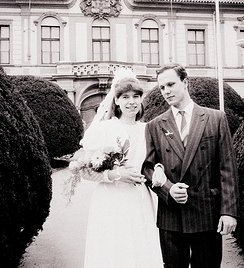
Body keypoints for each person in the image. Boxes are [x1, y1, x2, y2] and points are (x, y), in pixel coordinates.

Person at [142, 64, 239, 268]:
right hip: (171, 217)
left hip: (206, 212)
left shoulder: (215, 118)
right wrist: (168, 189)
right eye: (161, 87)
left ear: (185, 82)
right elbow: (148, 169)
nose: (166, 91)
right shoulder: (154, 125)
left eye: (170, 84)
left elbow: (227, 168)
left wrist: (228, 212)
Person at [80, 69, 164, 268]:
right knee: (112, 249)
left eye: (136, 96)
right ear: (116, 100)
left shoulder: (148, 130)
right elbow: (85, 170)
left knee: (138, 247)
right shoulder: (104, 129)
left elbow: (156, 160)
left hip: (139, 199)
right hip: (110, 198)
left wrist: (159, 167)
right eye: (125, 97)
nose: (131, 101)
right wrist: (116, 174)